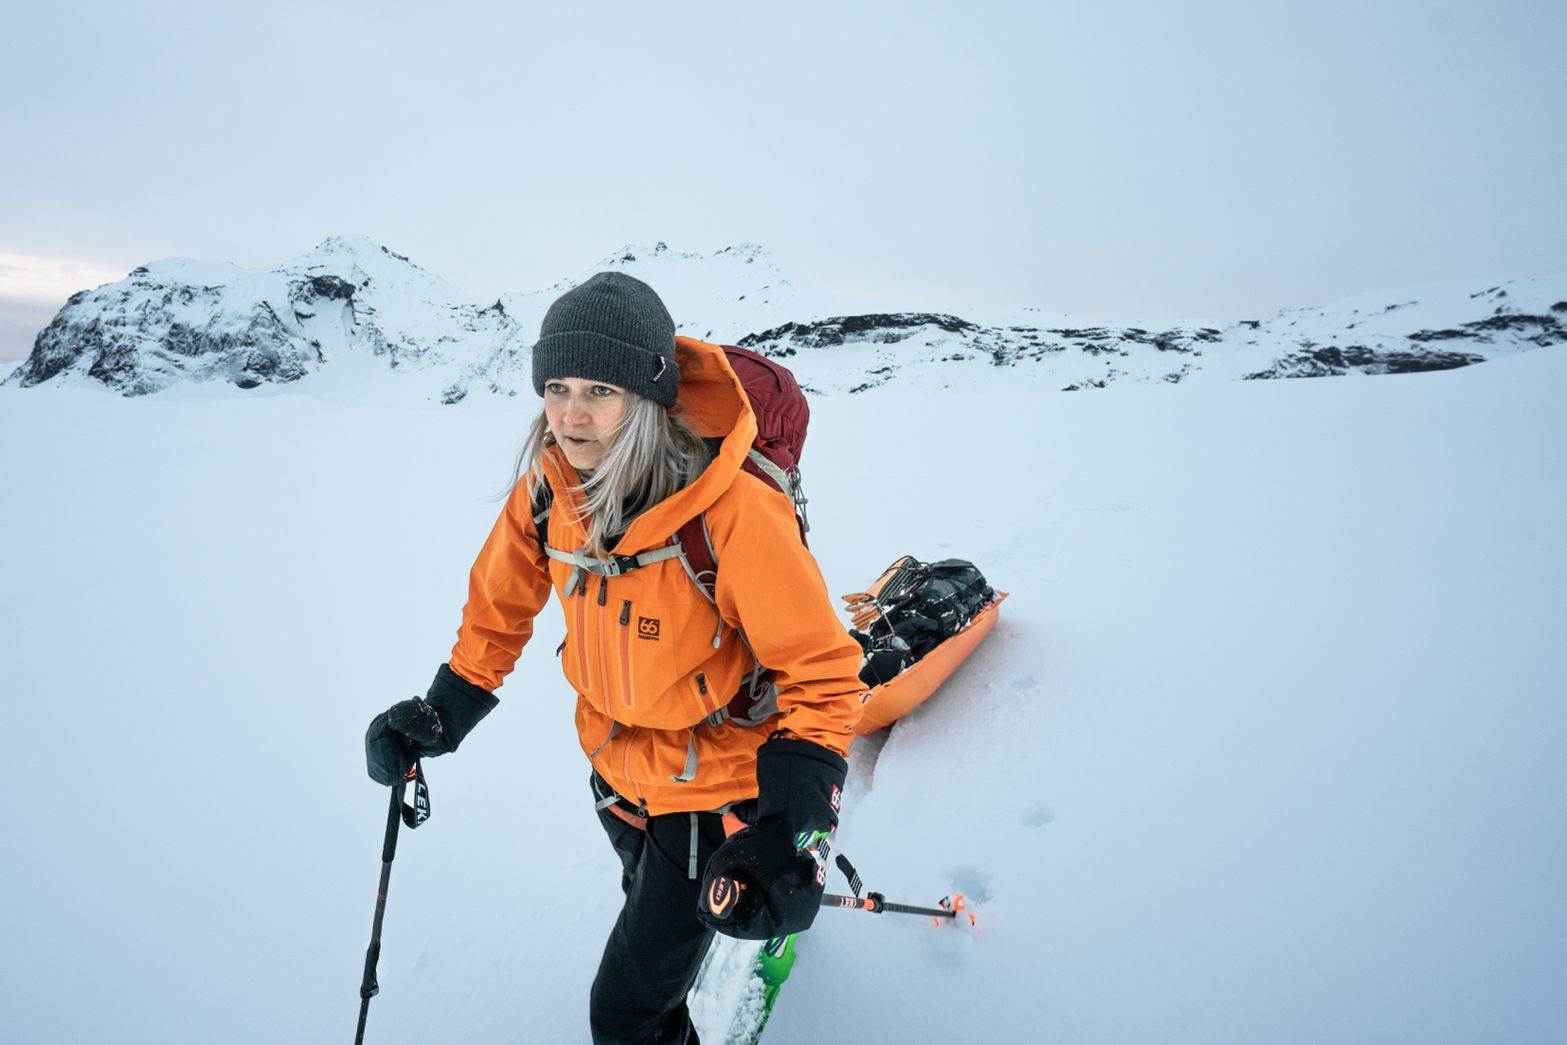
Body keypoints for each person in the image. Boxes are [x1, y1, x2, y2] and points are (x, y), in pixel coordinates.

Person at [364, 271, 865, 1044]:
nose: (570, 413)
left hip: (714, 792)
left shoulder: (731, 508)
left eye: (598, 388)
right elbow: (499, 608)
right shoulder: (547, 487)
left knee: (627, 1013)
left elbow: (822, 675)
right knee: (649, 907)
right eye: (556, 385)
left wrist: (789, 832)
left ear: (646, 394)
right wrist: (443, 709)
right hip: (613, 771)